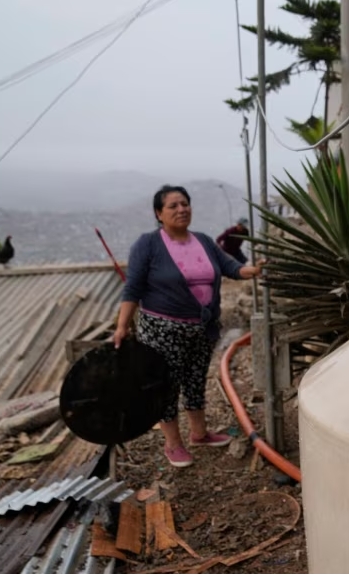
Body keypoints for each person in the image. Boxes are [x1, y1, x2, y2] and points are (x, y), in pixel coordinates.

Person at [114, 185, 264, 468]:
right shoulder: (147, 245)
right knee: (166, 385)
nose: (181, 209)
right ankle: (173, 444)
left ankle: (199, 433)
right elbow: (132, 288)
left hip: (202, 328)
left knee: (195, 380)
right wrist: (122, 326)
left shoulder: (204, 241)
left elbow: (231, 268)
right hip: (162, 330)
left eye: (185, 204)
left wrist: (253, 271)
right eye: (173, 206)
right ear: (159, 213)